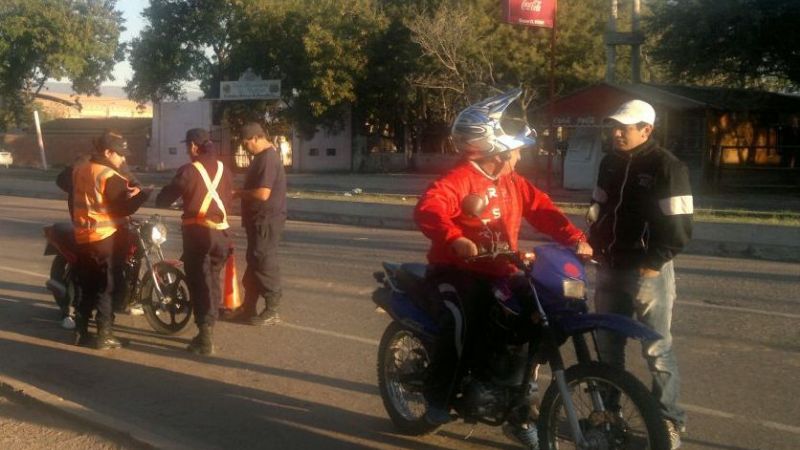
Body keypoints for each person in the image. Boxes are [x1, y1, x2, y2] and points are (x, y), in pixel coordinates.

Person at [414, 89, 592, 449]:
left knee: (534, 321)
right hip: (457, 271)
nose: (519, 155)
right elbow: (429, 209)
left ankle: (518, 406)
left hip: (500, 270)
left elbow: (543, 210)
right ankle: (438, 398)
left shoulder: (513, 182)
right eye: (515, 150)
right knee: (462, 321)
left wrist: (575, 238)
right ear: (494, 148)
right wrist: (455, 239)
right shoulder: (459, 179)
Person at [587, 99, 692, 449]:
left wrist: (655, 261)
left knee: (657, 350)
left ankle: (668, 422)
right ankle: (607, 415)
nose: (616, 132)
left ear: (646, 130)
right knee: (607, 347)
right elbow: (598, 208)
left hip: (648, 272)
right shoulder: (609, 163)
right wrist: (592, 244)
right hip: (609, 267)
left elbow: (680, 224)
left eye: (625, 127)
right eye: (614, 126)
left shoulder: (666, 166)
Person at [156, 128, 233, 356]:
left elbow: (166, 198)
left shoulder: (189, 170)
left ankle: (204, 335)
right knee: (213, 281)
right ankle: (209, 325)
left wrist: (159, 197)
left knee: (199, 282)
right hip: (221, 235)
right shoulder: (224, 169)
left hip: (198, 234)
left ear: (192, 146)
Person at [70, 130, 149, 349]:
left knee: (87, 285)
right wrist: (141, 196)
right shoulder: (108, 175)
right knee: (107, 287)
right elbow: (120, 209)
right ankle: (105, 334)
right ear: (107, 152)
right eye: (120, 154)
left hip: (83, 236)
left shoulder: (80, 170)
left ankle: (81, 331)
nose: (123, 158)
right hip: (105, 238)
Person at [232, 122, 287, 326]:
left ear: (256, 138)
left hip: (266, 220)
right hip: (257, 220)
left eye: (247, 143)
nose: (246, 147)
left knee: (264, 261)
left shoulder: (268, 159)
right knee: (254, 260)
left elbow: (263, 193)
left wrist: (238, 193)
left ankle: (273, 309)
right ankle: (248, 308)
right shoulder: (260, 158)